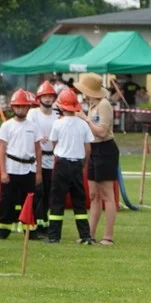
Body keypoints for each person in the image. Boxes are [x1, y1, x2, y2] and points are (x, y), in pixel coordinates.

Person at [46, 88, 95, 244]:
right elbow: (88, 149)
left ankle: (54, 236)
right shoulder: (83, 125)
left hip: (61, 164)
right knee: (79, 202)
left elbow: (54, 143)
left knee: (57, 202)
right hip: (77, 165)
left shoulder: (57, 124)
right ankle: (85, 235)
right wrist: (83, 164)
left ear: (61, 106)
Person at [76, 73, 119, 245]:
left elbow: (101, 131)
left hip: (105, 149)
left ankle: (108, 236)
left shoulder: (104, 105)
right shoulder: (92, 105)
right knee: (93, 194)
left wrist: (85, 120)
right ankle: (90, 234)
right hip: (93, 149)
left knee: (107, 194)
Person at [0, 90, 40, 239]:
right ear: (13, 108)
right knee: (7, 200)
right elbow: (2, 150)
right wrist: (3, 171)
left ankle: (29, 229)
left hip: (28, 168)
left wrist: (38, 172)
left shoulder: (33, 126)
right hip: (12, 167)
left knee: (29, 200)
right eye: (18, 106)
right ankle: (3, 228)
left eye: (24, 106)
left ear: (28, 108)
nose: (21, 109)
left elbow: (38, 149)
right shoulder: (7, 126)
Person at [29, 80, 58, 239]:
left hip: (52, 159)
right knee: (37, 193)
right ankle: (34, 224)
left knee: (48, 193)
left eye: (50, 96)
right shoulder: (33, 114)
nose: (47, 99)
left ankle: (43, 223)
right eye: (44, 96)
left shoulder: (58, 114)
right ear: (39, 98)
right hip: (36, 158)